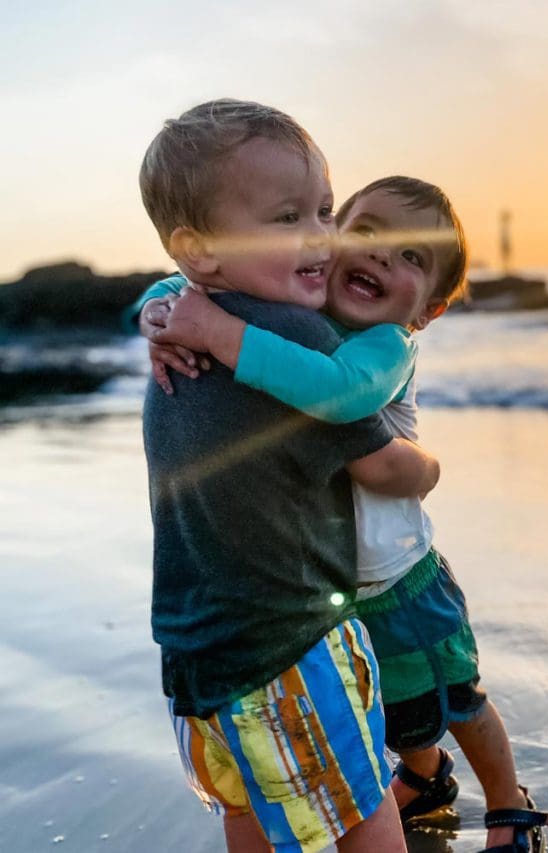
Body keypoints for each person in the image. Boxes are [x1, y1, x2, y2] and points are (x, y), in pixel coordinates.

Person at [135, 176, 548, 853]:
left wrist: (216, 331)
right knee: (387, 707)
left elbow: (334, 394)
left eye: (412, 258)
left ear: (430, 311)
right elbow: (185, 284)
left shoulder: (385, 347)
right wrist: (158, 315)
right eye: (368, 231)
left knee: (452, 698)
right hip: (328, 584)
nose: (384, 256)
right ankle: (427, 777)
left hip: (399, 577)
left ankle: (509, 802)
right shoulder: (297, 316)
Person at [138, 99, 442, 852]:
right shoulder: (294, 335)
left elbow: (157, 295)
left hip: (191, 652)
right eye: (288, 217)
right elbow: (382, 464)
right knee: (362, 807)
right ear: (200, 248)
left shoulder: (183, 318)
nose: (321, 236)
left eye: (326, 210)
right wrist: (428, 466)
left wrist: (153, 311)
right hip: (290, 641)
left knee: (249, 816)